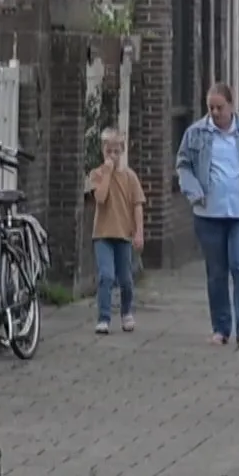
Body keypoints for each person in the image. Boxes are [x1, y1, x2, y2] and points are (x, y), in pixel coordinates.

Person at [177, 83, 239, 348]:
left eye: (220, 107)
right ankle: (220, 328)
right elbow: (183, 164)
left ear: (232, 106)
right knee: (217, 272)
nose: (215, 113)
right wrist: (193, 191)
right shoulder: (195, 134)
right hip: (209, 214)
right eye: (211, 108)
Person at [86, 128, 145, 335]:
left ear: (123, 152)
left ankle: (126, 311)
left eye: (116, 151)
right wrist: (108, 173)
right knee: (106, 276)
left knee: (126, 278)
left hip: (123, 235)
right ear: (103, 151)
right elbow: (100, 198)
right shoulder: (97, 175)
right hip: (102, 234)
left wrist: (139, 232)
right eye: (109, 151)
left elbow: (137, 205)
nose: (113, 155)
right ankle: (103, 317)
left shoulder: (130, 178)